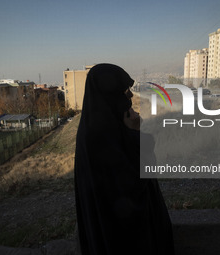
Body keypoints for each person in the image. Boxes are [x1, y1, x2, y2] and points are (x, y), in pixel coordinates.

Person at [74, 63, 174, 254]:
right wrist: (136, 132)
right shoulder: (100, 136)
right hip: (122, 236)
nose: (130, 96)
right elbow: (134, 182)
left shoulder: (102, 125)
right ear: (109, 94)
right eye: (124, 91)